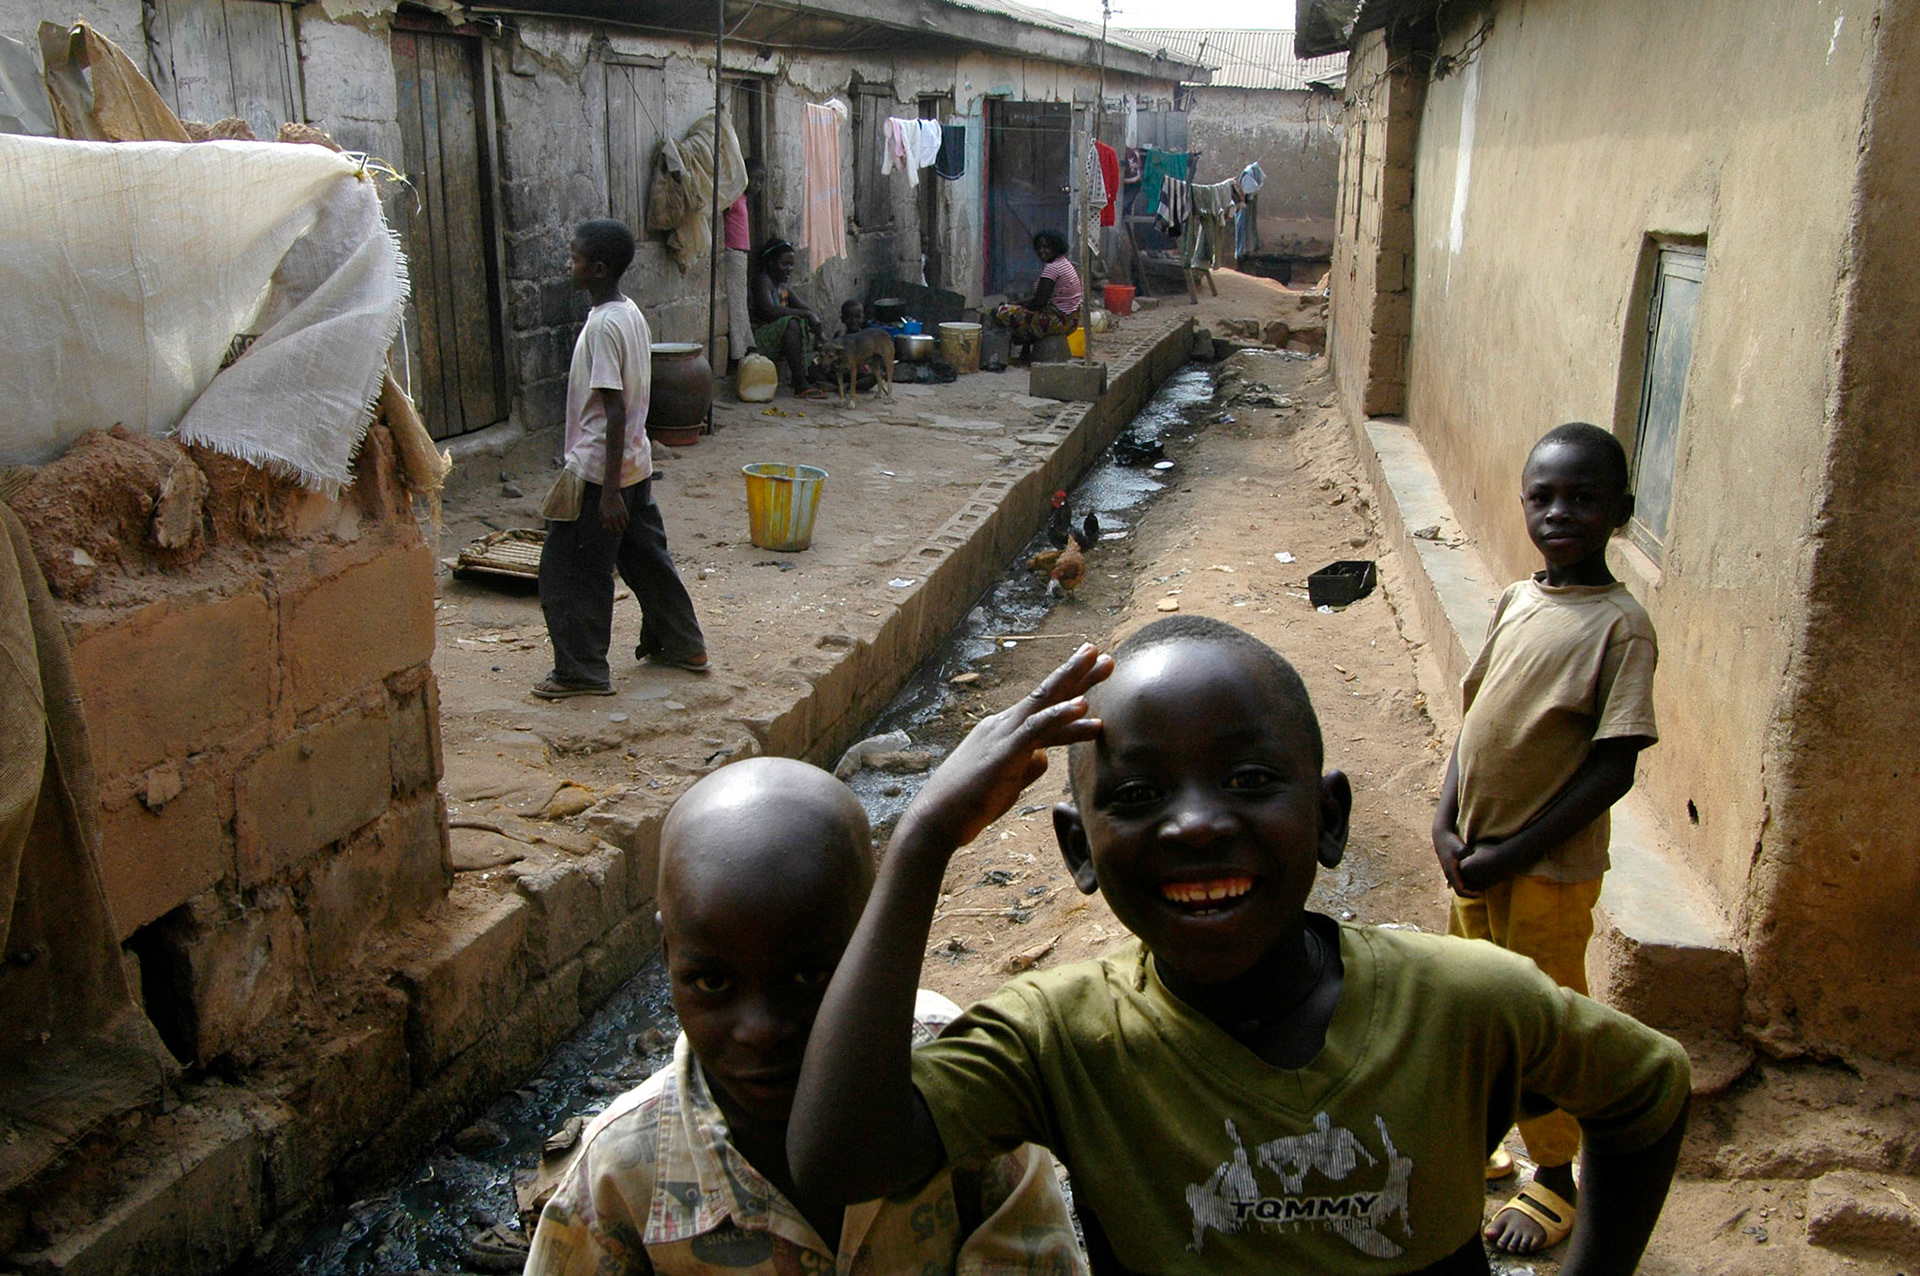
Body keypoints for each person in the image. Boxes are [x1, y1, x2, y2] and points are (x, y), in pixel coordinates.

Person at [790, 618, 1690, 1275]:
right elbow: (840, 1156)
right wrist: (920, 842)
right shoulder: (1063, 1040)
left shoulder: (1465, 1001)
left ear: (1329, 818)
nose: (1195, 826)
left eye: (1250, 780)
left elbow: (1646, 1092)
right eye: (1138, 794)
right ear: (1079, 851)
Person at [525, 757, 1086, 1276]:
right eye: (712, 982)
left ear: (875, 939)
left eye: (808, 978)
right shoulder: (617, 1179)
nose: (762, 1031)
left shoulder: (964, 1078)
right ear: (668, 954)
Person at [1429, 422, 1659, 1255]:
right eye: (1544, 496)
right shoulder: (1520, 599)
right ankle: (1494, 1133)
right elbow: (1476, 721)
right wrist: (1445, 821)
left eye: (1584, 499)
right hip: (1478, 857)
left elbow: (1614, 767)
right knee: (1474, 1000)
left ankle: (1557, 1174)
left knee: (1541, 1016)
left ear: (1621, 513)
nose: (1560, 512)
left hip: (1547, 870)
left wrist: (1516, 851)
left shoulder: (1620, 626)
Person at [534, 219, 707, 699]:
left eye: (575, 259)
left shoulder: (607, 325)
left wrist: (608, 493)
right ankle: (683, 643)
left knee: (570, 572)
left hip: (599, 472)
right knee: (646, 559)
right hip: (635, 464)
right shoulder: (628, 312)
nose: (571, 265)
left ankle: (581, 670)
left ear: (598, 269)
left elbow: (614, 408)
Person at [749, 239, 826, 399]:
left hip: (775, 339)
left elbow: (807, 310)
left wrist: (819, 332)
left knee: (799, 320)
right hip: (759, 340)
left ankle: (804, 377)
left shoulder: (784, 288)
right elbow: (769, 311)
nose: (789, 269)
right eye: (785, 264)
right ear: (770, 263)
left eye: (791, 265)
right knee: (792, 323)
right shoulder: (763, 281)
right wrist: (805, 315)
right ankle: (800, 383)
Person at [991, 230, 1082, 359]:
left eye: (1046, 247)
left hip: (1057, 321)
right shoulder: (1064, 263)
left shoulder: (1052, 268)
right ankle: (1025, 352)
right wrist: (1017, 305)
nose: (1041, 251)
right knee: (1023, 311)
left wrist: (1012, 306)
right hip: (1071, 320)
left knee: (1000, 312)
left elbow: (1038, 302)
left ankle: (998, 355)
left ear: (1056, 247)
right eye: (1039, 248)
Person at [723, 162, 763, 375]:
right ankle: (739, 351)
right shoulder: (733, 196)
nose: (758, 185)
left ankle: (745, 345)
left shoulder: (743, 199)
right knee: (737, 302)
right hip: (732, 253)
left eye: (760, 181)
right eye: (755, 179)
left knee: (740, 300)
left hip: (740, 254)